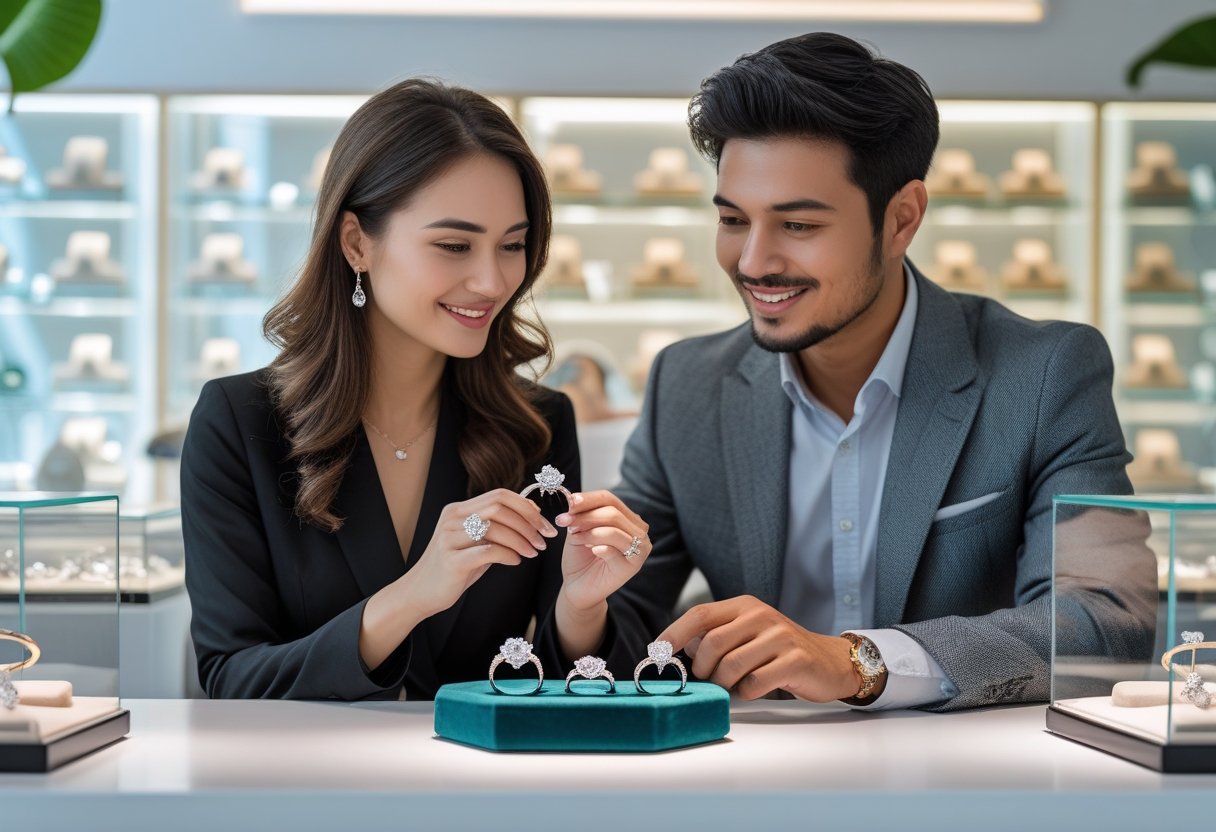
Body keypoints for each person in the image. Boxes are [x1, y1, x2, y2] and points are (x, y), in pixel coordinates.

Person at [612, 33, 1157, 711]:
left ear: (901, 220)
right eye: (732, 219)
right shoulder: (686, 384)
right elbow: (623, 623)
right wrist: (578, 598)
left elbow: (1107, 620)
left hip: (972, 789)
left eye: (798, 226)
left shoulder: (1044, 373)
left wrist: (860, 662)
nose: (753, 260)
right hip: (742, 776)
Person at [182, 79, 652, 700]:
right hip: (303, 785)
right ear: (357, 243)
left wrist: (581, 607)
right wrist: (410, 597)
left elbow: (541, 684)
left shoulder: (535, 424)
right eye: (454, 245)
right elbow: (230, 679)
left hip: (481, 784)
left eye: (512, 245)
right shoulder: (239, 423)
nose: (491, 280)